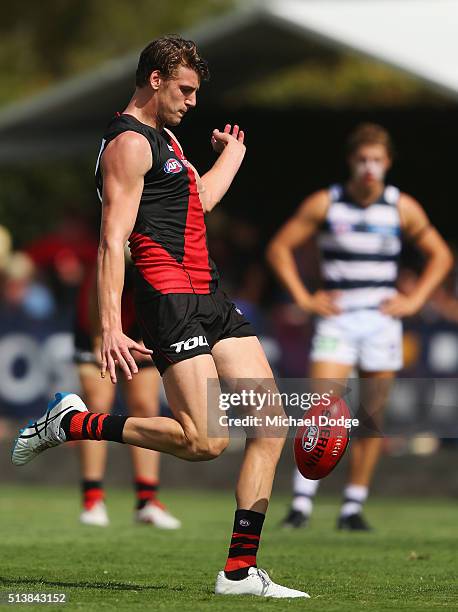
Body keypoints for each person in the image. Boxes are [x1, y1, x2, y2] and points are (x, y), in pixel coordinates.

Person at [12, 36, 308, 598]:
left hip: (211, 295)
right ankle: (73, 424)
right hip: (168, 300)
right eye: (185, 89)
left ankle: (239, 573)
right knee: (206, 442)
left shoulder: (166, 138)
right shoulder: (128, 143)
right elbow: (111, 241)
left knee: (270, 426)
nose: (193, 101)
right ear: (155, 80)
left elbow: (197, 205)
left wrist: (233, 158)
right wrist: (110, 326)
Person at [266, 123, 453, 530]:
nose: (369, 167)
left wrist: (416, 300)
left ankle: (352, 505)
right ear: (351, 161)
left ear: (387, 163)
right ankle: (301, 502)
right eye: (363, 159)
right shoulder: (326, 203)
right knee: (320, 410)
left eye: (377, 160)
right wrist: (302, 296)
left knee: (372, 415)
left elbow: (440, 255)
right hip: (339, 315)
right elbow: (279, 247)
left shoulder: (401, 207)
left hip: (382, 320)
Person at [74, 258, 180, 528]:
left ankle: (147, 501)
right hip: (97, 325)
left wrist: (149, 339)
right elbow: (93, 296)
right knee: (97, 405)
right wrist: (101, 339)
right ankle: (93, 498)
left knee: (144, 406)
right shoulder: (116, 254)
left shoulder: (159, 256)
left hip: (139, 328)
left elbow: (166, 303)